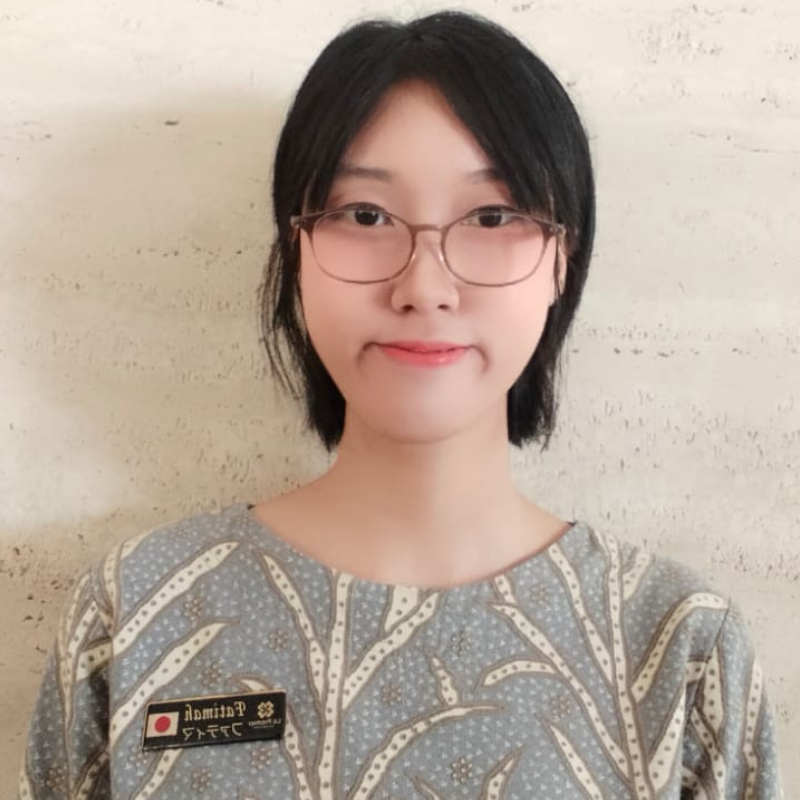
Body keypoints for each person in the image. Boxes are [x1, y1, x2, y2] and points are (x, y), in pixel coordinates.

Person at [19, 11, 782, 800]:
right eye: (365, 215)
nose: (424, 286)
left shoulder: (680, 645)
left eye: (492, 216)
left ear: (563, 257)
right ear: (295, 251)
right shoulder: (138, 611)